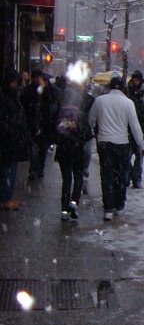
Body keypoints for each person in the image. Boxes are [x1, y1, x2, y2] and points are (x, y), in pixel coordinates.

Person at [87, 75, 144, 222]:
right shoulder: (128, 103)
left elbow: (90, 119)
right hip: (122, 142)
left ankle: (108, 207)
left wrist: (93, 131)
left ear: (110, 87)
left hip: (104, 142)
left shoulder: (99, 101)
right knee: (121, 174)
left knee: (106, 174)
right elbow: (135, 126)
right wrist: (141, 144)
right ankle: (119, 202)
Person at [53, 78, 94, 221]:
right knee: (78, 178)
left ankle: (64, 209)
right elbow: (88, 134)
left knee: (66, 180)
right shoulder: (81, 116)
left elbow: (55, 133)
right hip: (78, 152)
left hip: (64, 151)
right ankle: (74, 204)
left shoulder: (61, 114)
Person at [0, 70, 31, 211]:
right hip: (9, 141)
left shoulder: (9, 96)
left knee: (8, 169)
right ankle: (6, 199)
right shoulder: (8, 98)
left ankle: (6, 197)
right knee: (8, 169)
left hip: (10, 140)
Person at [21, 70, 58, 181]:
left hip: (44, 124)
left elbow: (53, 100)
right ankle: (34, 169)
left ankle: (39, 169)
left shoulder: (49, 90)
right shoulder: (29, 91)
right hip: (34, 124)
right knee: (34, 149)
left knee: (42, 149)